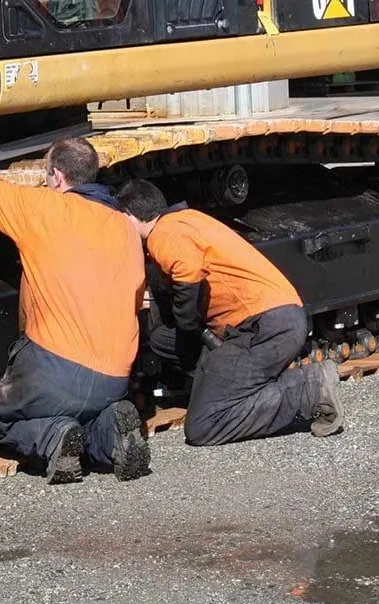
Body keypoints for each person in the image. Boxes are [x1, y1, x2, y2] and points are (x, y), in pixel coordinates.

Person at [0, 138, 151, 483]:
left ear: (55, 177)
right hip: (115, 377)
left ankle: (55, 437)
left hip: (53, 371)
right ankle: (112, 431)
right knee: (85, 415)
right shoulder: (125, 228)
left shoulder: (43, 208)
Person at [115, 178, 344, 446]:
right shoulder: (187, 218)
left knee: (203, 426)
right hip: (276, 318)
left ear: (130, 216)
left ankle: (308, 390)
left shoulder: (163, 234)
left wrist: (186, 321)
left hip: (263, 326)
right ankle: (214, 388)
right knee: (163, 339)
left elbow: (187, 271)